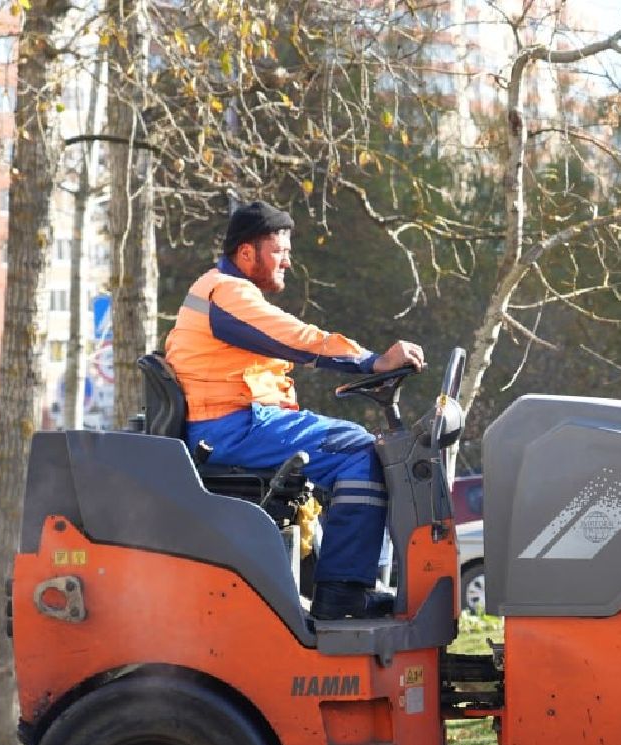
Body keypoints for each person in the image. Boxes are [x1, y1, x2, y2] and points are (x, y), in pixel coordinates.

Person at [163, 200, 425, 620]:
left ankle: (349, 579)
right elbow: (294, 339)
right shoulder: (227, 292)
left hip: (231, 423)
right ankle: (343, 592)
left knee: (351, 445)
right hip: (232, 427)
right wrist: (372, 361)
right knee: (358, 452)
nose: (288, 260)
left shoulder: (219, 289)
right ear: (247, 253)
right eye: (279, 251)